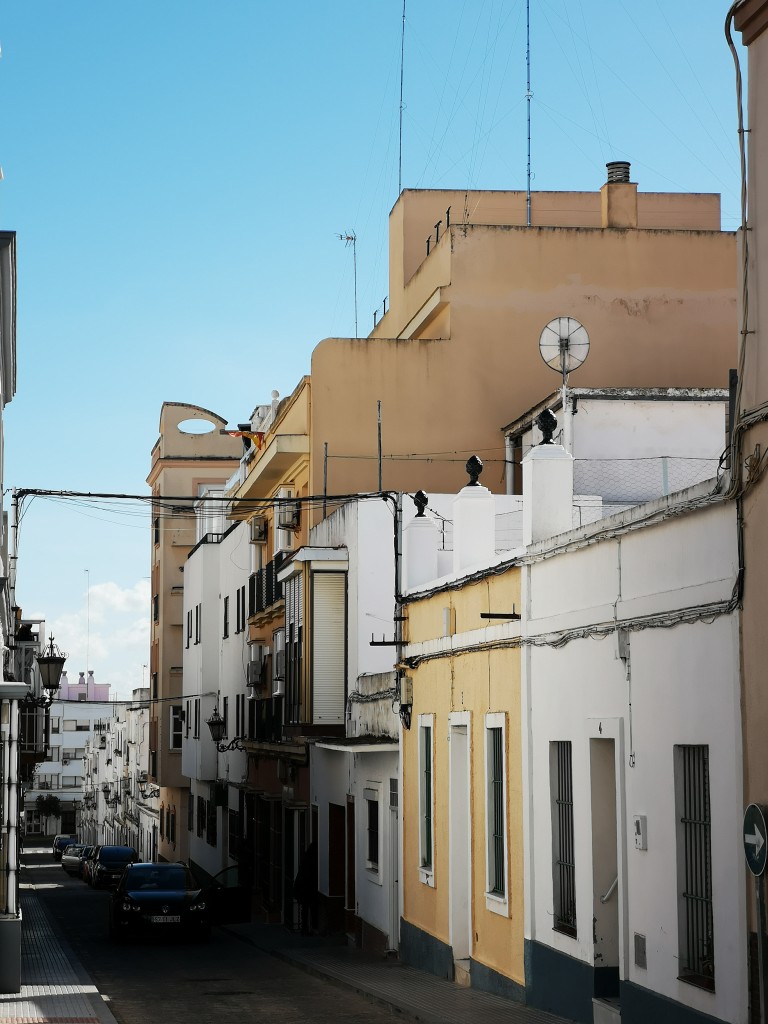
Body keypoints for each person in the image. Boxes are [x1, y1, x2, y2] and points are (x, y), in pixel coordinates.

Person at [292, 839, 318, 935]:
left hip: (303, 888)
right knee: (313, 908)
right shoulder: (314, 860)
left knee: (305, 909)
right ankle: (313, 927)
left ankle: (304, 928)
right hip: (309, 889)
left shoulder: (306, 859)